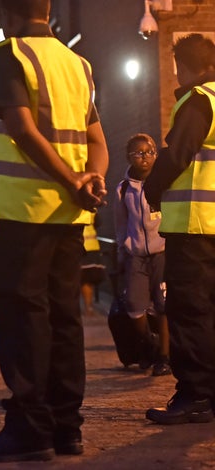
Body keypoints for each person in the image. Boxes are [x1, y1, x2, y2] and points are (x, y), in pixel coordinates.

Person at [0, 0, 108, 463]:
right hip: (69, 218)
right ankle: (67, 428)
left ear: (7, 12)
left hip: (25, 215)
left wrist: (72, 180)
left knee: (23, 323)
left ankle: (30, 430)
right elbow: (98, 142)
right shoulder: (78, 64)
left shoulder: (11, 54)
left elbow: (22, 130)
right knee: (64, 321)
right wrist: (92, 181)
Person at [144, 33, 215, 425]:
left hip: (195, 226)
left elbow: (179, 154)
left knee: (189, 312)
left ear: (181, 65)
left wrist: (153, 186)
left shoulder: (198, 100)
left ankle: (195, 396)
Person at [114, 133, 170, 377]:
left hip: (162, 253)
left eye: (149, 152)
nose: (145, 157)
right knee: (134, 307)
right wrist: (123, 248)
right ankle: (149, 343)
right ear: (129, 157)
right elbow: (120, 223)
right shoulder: (123, 189)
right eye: (139, 153)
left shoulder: (164, 183)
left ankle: (164, 358)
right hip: (135, 255)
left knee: (163, 305)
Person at [80, 217, 106, 317]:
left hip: (87, 248)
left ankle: (88, 307)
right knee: (86, 281)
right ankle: (88, 308)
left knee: (87, 281)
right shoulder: (91, 210)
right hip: (85, 248)